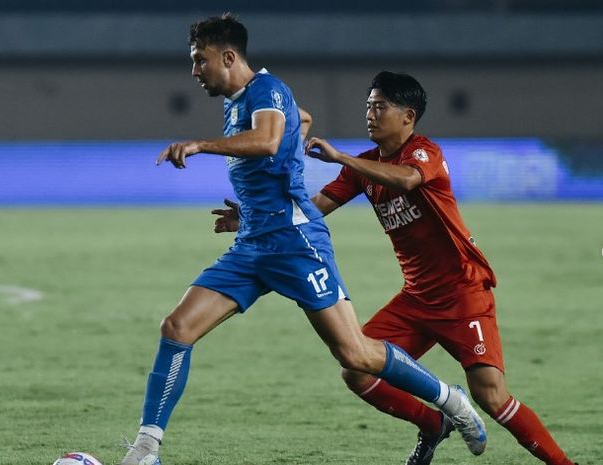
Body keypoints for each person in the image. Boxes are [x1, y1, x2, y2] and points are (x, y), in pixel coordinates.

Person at [121, 17, 487, 465]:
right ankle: (145, 450)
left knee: (355, 354)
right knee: (176, 328)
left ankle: (451, 402)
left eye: (200, 60)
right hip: (254, 244)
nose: (195, 71)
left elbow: (271, 139)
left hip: (296, 242)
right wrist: (249, 213)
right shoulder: (239, 101)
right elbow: (299, 121)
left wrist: (200, 145)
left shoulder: (266, 90)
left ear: (228, 57)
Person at [214, 70, 576, 465]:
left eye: (380, 107)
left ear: (408, 116)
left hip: (462, 293)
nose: (370, 114)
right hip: (416, 299)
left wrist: (341, 157)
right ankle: (433, 424)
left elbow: (406, 181)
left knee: (491, 396)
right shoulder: (363, 167)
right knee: (356, 368)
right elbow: (315, 209)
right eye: (368, 106)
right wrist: (253, 219)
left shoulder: (424, 153)